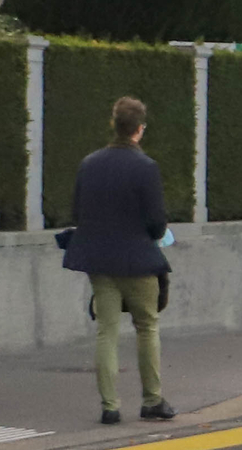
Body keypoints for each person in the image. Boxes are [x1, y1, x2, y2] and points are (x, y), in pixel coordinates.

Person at [62, 96, 174, 424]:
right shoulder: (146, 167)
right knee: (147, 326)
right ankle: (152, 400)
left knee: (106, 331)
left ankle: (109, 406)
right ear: (139, 130)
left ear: (114, 125)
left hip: (99, 260)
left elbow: (77, 212)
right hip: (139, 261)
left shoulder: (89, 163)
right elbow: (156, 223)